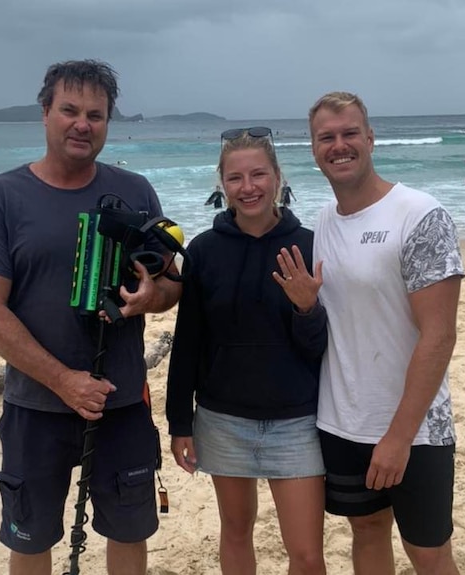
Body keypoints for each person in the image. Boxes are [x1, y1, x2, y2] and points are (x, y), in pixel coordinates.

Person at [0, 60, 182, 575]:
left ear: (108, 122)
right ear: (45, 113)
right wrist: (63, 381)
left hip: (120, 400)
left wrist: (152, 297)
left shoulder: (137, 191)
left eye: (96, 115)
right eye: (70, 110)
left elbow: (171, 284)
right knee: (30, 538)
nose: (83, 124)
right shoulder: (0, 197)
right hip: (34, 405)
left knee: (129, 529)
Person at [308, 91, 465, 575]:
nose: (339, 145)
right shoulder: (320, 222)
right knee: (368, 532)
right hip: (343, 422)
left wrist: (398, 437)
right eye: (326, 137)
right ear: (314, 149)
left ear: (371, 138)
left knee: (429, 552)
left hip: (416, 430)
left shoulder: (419, 214)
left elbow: (439, 337)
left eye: (350, 133)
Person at [166, 127, 328, 574]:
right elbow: (189, 342)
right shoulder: (203, 251)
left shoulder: (311, 246)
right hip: (223, 418)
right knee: (236, 532)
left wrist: (307, 308)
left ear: (277, 177)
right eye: (235, 178)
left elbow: (322, 349)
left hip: (297, 420)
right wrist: (179, 422)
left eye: (259, 174)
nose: (248, 187)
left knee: (307, 553)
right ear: (223, 184)